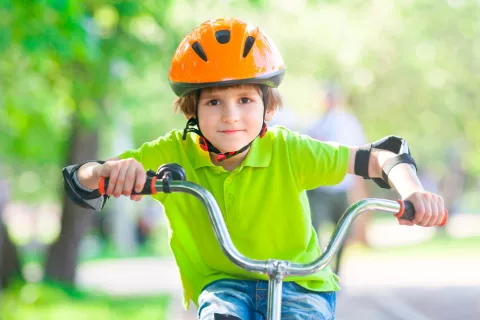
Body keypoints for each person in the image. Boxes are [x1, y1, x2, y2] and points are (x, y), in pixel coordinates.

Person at [62, 18, 447, 320]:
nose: (231, 116)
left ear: (268, 105)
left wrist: (412, 191)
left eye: (245, 99)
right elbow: (82, 179)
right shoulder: (173, 153)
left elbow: (384, 154)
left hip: (302, 284)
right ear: (192, 109)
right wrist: (109, 172)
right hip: (222, 284)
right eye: (214, 103)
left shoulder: (289, 151)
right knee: (220, 312)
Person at [305, 83, 369, 275]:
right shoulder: (316, 123)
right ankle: (313, 270)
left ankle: (336, 272)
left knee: (341, 232)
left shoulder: (350, 123)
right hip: (320, 188)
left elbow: (362, 155)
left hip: (341, 187)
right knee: (313, 229)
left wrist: (359, 187)